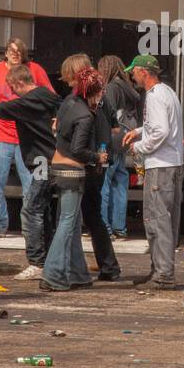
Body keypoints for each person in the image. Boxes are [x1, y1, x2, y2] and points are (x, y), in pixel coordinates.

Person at [0, 63, 61, 281]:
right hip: (55, 158)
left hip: (41, 159)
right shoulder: (50, 97)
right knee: (45, 212)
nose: (13, 92)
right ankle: (49, 258)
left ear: (20, 83)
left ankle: (36, 262)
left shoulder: (28, 102)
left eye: (13, 87)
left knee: (30, 210)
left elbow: (2, 110)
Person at [0, 38, 51, 238]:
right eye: (12, 51)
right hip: (1, 134)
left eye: (19, 52)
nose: (15, 55)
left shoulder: (35, 70)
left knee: (30, 181)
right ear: (6, 52)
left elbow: (49, 95)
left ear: (24, 54)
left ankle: (31, 225)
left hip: (28, 135)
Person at [41, 68, 107, 292]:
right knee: (68, 223)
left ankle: (78, 273)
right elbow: (79, 149)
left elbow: (58, 131)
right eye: (101, 92)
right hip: (72, 172)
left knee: (71, 221)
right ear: (96, 92)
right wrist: (98, 156)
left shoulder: (68, 102)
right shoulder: (86, 115)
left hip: (57, 167)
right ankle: (52, 275)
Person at [122, 54, 183, 289]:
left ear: (144, 72)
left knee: (157, 220)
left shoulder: (154, 96)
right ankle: (160, 269)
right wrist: (139, 130)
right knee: (165, 218)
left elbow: (160, 131)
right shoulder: (167, 92)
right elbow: (161, 124)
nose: (132, 75)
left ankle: (163, 274)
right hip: (172, 163)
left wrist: (138, 147)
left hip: (160, 164)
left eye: (134, 71)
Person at [59, 54, 122, 282]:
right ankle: (108, 265)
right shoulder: (103, 97)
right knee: (93, 215)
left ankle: (73, 268)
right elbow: (115, 129)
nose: (67, 82)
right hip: (101, 162)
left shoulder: (79, 101)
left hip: (86, 162)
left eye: (68, 77)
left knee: (74, 216)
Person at [98, 55, 140, 239]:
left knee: (104, 183)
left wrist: (101, 142)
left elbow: (108, 116)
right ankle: (119, 227)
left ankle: (105, 227)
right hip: (125, 140)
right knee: (120, 182)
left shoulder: (111, 88)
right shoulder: (128, 88)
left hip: (112, 141)